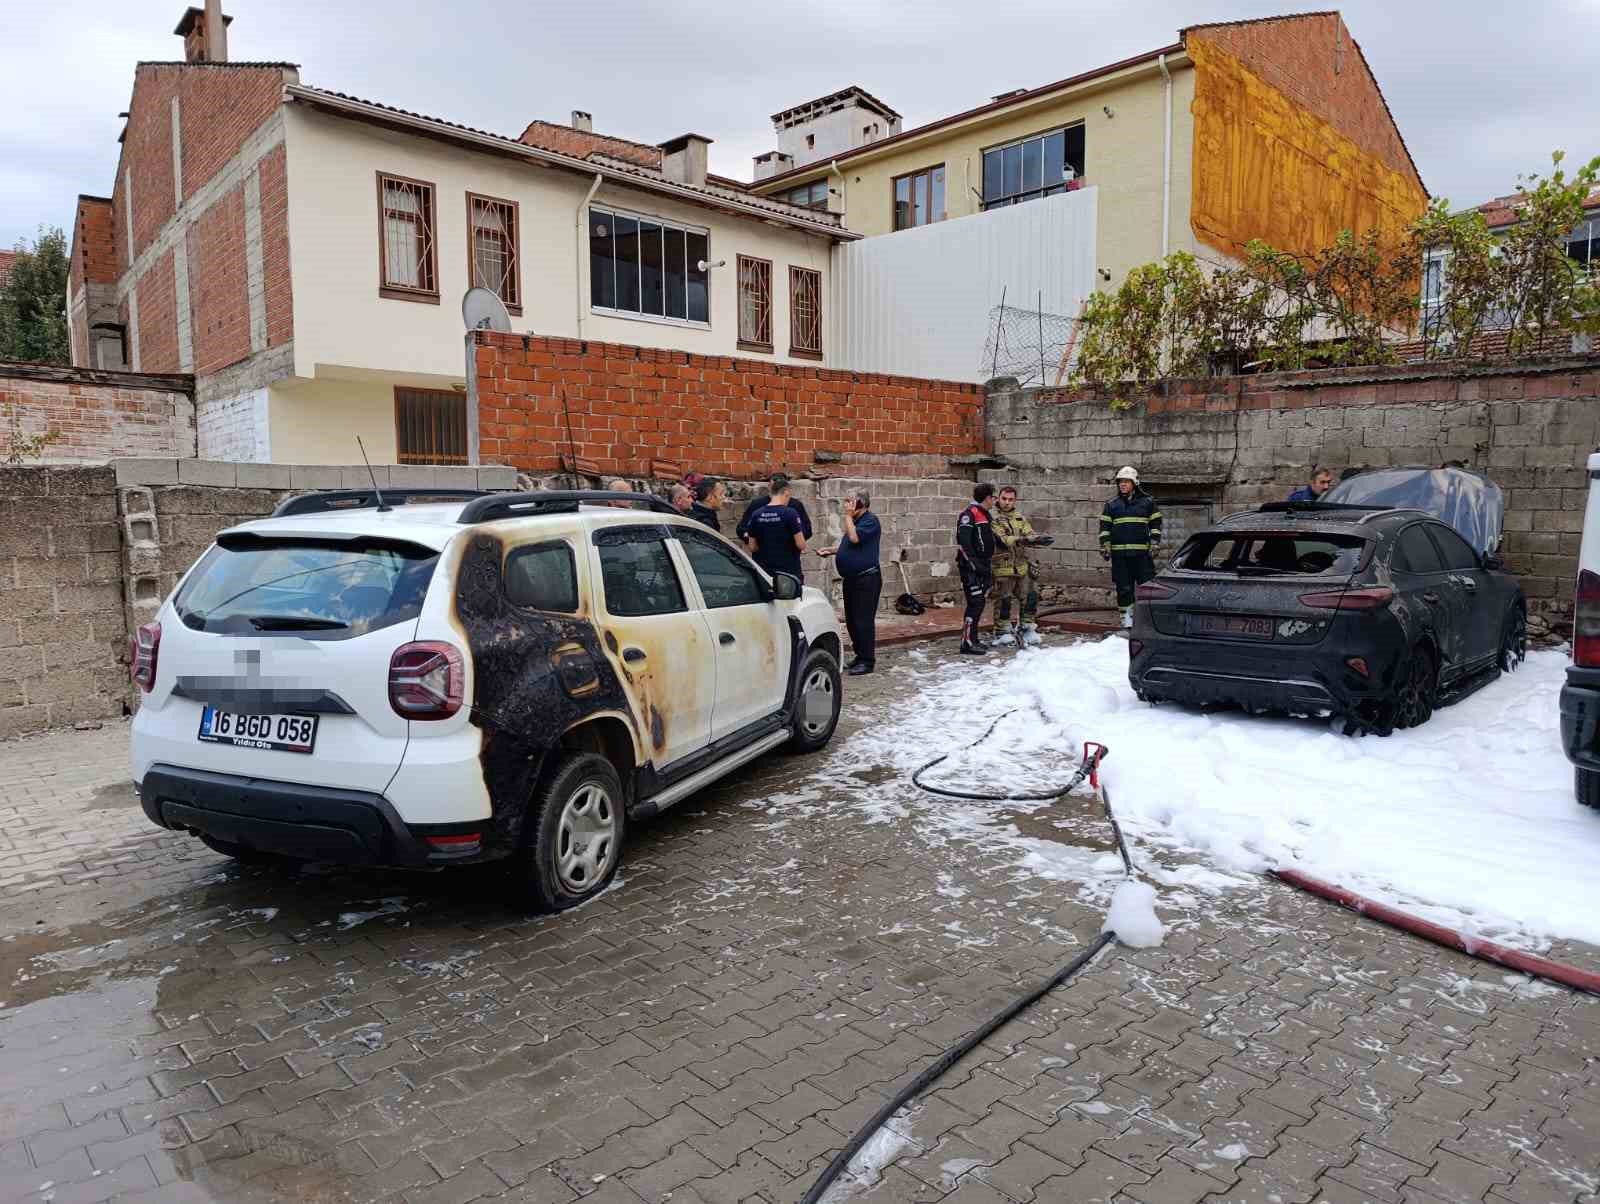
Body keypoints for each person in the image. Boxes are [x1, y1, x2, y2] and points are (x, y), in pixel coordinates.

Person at [1099, 466, 1161, 630]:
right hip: (1120, 555)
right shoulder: (1111, 505)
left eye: (1126, 481)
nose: (1122, 485)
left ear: (1135, 483)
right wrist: (1105, 545)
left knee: (1147, 587)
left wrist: (1155, 542)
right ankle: (1126, 620)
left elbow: (1156, 523)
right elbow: (1104, 527)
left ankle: (1147, 619)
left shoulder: (1148, 502)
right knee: (1123, 588)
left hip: (1142, 555)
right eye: (1120, 482)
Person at [829, 491, 881, 675]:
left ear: (860, 503)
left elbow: (854, 538)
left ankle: (867, 661)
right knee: (852, 620)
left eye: (849, 501)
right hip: (852, 579)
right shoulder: (855, 521)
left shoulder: (870, 520)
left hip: (866, 578)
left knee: (863, 621)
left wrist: (848, 517)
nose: (846, 505)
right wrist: (832, 550)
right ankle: (860, 656)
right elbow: (850, 544)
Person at [991, 485, 1042, 648]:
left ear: (1015, 501)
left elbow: (1029, 532)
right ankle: (1002, 631)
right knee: (1004, 600)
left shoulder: (1019, 518)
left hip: (1021, 565)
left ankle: (1027, 627)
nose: (1007, 502)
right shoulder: (993, 518)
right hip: (1003, 565)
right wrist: (1022, 540)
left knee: (1030, 596)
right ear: (998, 498)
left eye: (1010, 499)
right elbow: (1003, 538)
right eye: (1004, 499)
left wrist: (1037, 538)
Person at [956, 483, 997, 655]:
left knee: (979, 603)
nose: (995, 500)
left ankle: (973, 638)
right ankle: (966, 642)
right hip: (970, 567)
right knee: (975, 603)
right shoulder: (969, 514)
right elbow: (964, 543)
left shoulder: (985, 515)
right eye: (994, 497)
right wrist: (975, 566)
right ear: (987, 498)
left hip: (984, 565)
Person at [745, 478, 807, 583]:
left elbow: (752, 547)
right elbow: (801, 544)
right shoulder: (791, 513)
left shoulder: (756, 514)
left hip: (764, 570)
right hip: (788, 571)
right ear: (786, 493)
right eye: (789, 496)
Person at [737, 472, 814, 542]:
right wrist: (753, 538)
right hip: (763, 552)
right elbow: (741, 529)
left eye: (779, 488)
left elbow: (807, 530)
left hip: (789, 553)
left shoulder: (795, 505)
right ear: (769, 486)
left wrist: (792, 538)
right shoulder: (757, 504)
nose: (777, 491)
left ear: (786, 489)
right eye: (774, 488)